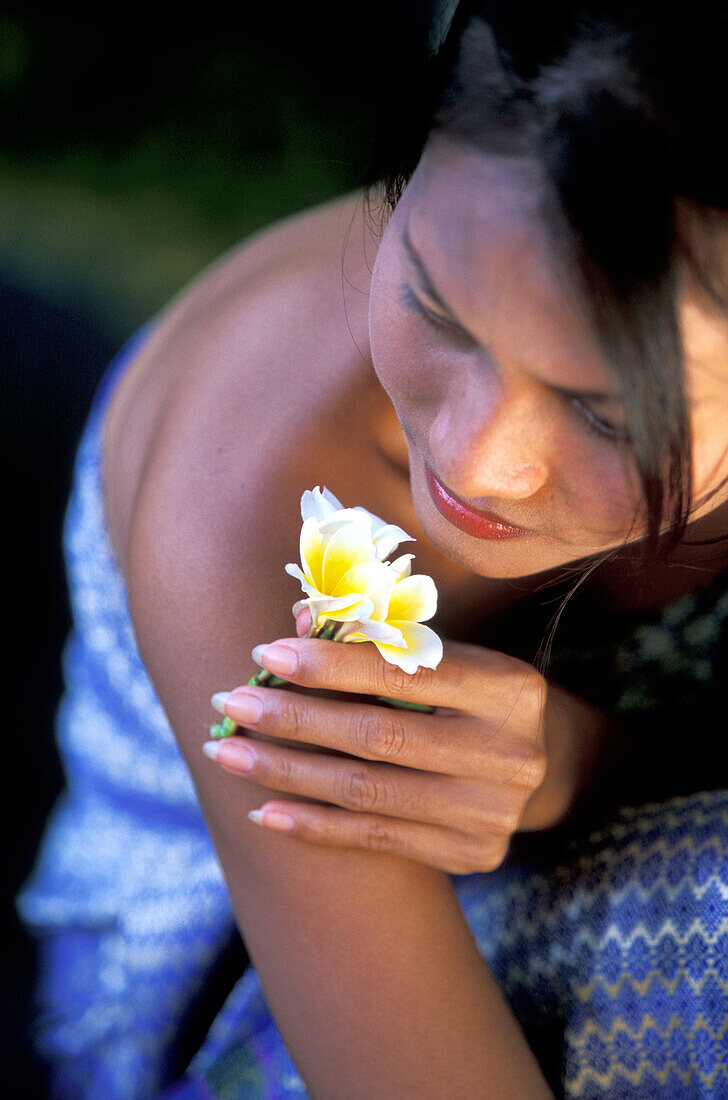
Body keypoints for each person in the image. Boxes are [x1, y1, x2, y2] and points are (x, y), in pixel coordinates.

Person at [16, 2, 728, 1096]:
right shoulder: (262, 517)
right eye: (438, 307)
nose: (476, 459)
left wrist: (581, 765)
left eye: (609, 416)